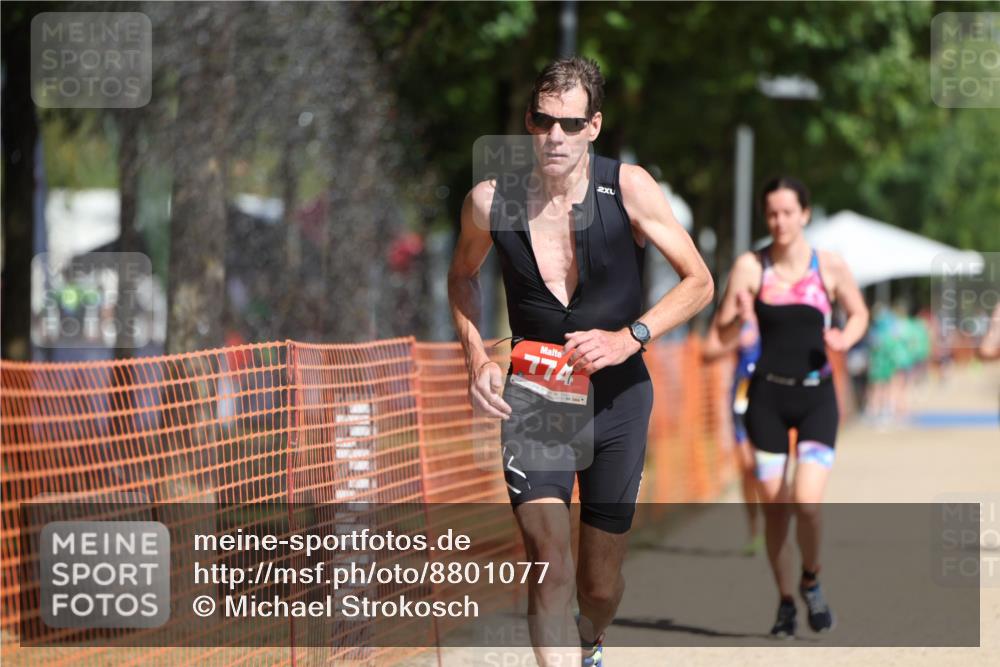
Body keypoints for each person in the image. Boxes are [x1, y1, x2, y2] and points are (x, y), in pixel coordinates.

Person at [448, 57, 713, 666]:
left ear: (594, 125)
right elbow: (462, 277)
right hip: (536, 400)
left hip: (617, 400)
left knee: (597, 586)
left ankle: (592, 639)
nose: (555, 137)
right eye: (543, 122)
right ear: (528, 121)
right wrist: (476, 360)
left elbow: (699, 281)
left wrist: (633, 336)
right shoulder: (491, 201)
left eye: (569, 124)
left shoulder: (629, 187)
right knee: (548, 558)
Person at [707, 176, 868, 638]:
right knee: (776, 507)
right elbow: (718, 340)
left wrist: (845, 336)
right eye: (771, 214)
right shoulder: (750, 268)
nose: (779, 222)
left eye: (787, 213)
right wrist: (737, 316)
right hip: (767, 399)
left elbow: (858, 313)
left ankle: (811, 579)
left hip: (817, 396)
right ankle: (784, 603)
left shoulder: (829, 267)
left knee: (807, 503)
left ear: (805, 214)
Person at [703, 309, 763, 554]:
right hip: (742, 393)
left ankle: (776, 525)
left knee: (768, 465)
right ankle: (755, 530)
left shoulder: (773, 304)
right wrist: (736, 337)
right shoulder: (733, 316)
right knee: (748, 466)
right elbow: (709, 351)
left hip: (771, 392)